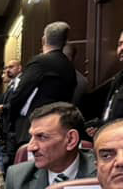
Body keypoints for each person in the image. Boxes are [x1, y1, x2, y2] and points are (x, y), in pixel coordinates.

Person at [7, 22, 77, 150]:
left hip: (33, 128)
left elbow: (20, 94)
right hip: (58, 128)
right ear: (64, 42)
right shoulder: (69, 67)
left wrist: (10, 120)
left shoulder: (40, 62)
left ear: (43, 40)